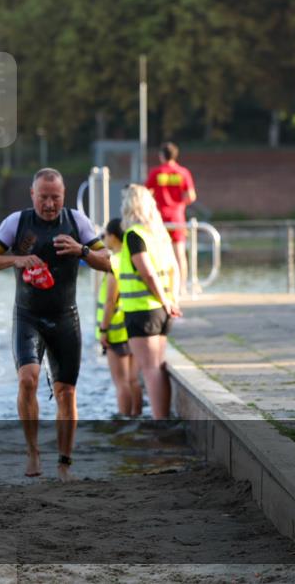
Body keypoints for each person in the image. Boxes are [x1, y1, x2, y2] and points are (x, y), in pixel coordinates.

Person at [0, 168, 110, 481]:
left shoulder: (77, 221)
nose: (50, 204)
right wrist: (16, 259)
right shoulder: (16, 223)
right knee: (28, 380)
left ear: (63, 196)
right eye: (44, 197)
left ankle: (64, 463)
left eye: (56, 198)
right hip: (28, 316)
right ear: (32, 195)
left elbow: (109, 262)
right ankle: (33, 450)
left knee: (66, 393)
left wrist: (82, 251)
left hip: (65, 317)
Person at [118, 184, 182, 419]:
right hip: (162, 312)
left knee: (150, 369)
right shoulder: (160, 234)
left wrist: (164, 301)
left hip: (143, 311)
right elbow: (175, 267)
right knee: (158, 365)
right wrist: (171, 300)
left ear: (129, 207)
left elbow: (147, 273)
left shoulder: (134, 235)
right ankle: (162, 419)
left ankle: (158, 423)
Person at [98, 218, 141, 418]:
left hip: (115, 330)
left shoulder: (114, 262)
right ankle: (137, 418)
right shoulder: (132, 257)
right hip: (132, 324)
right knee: (133, 380)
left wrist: (103, 329)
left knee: (121, 382)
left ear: (113, 237)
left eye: (105, 235)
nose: (103, 238)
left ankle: (124, 422)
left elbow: (110, 301)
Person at [145, 142, 196, 295]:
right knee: (180, 254)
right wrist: (179, 205)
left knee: (158, 253)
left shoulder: (156, 172)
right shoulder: (183, 172)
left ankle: (162, 287)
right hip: (177, 218)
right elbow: (191, 196)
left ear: (161, 155)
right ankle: (182, 288)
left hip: (159, 219)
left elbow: (146, 194)